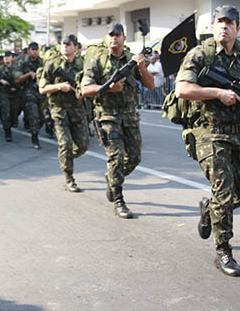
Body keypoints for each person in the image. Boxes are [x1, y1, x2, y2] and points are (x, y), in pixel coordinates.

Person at [175, 5, 240, 277]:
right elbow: (183, 89)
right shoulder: (199, 54)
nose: (224, 27)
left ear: (237, 28)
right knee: (224, 190)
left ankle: (209, 209)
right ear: (212, 25)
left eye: (230, 23)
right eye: (220, 22)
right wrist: (218, 93)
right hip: (209, 132)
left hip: (238, 131)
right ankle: (224, 251)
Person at [81, 23, 154, 219]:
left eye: (118, 34)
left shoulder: (132, 59)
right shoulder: (98, 60)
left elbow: (150, 84)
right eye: (111, 35)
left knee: (135, 157)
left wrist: (141, 66)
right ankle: (119, 199)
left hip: (129, 115)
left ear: (124, 37)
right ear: (106, 38)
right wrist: (108, 88)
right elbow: (85, 89)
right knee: (116, 156)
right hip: (107, 115)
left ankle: (112, 178)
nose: (114, 38)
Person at [39, 34, 89, 193]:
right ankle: (69, 177)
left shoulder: (83, 64)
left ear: (76, 47)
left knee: (82, 146)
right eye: (63, 44)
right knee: (65, 144)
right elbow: (42, 89)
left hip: (77, 109)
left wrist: (82, 91)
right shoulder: (52, 64)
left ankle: (65, 158)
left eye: (69, 44)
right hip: (59, 110)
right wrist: (59, 86)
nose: (65, 46)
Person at [15, 42, 44, 149]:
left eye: (36, 49)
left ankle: (35, 129)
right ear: (28, 50)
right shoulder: (22, 62)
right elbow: (17, 79)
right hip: (28, 91)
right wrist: (28, 74)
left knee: (43, 117)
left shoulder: (42, 61)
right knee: (33, 115)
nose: (35, 51)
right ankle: (35, 139)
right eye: (32, 49)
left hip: (41, 91)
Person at [0, 51, 20, 142]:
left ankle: (13, 122)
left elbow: (21, 79)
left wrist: (16, 87)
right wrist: (1, 81)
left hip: (15, 93)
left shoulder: (17, 68)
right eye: (5, 57)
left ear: (12, 58)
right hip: (4, 93)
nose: (7, 58)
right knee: (5, 112)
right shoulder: (0, 69)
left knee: (14, 112)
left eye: (8, 56)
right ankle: (7, 132)